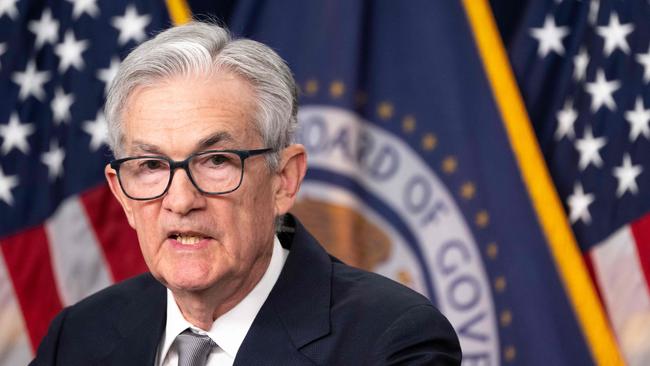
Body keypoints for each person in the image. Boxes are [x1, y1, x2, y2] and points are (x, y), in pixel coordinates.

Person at [31, 21, 461, 366]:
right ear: (121, 194)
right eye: (150, 166)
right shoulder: (77, 337)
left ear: (284, 180)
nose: (180, 201)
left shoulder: (392, 342)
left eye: (216, 161)